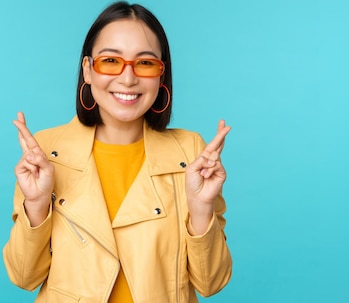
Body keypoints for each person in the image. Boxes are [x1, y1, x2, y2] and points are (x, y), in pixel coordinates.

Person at [3, 2, 232, 302]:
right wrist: (36, 205)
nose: (127, 78)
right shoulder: (47, 152)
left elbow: (211, 283)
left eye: (145, 63)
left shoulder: (190, 152)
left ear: (161, 75)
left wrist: (201, 210)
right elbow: (23, 277)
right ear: (87, 70)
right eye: (110, 60)